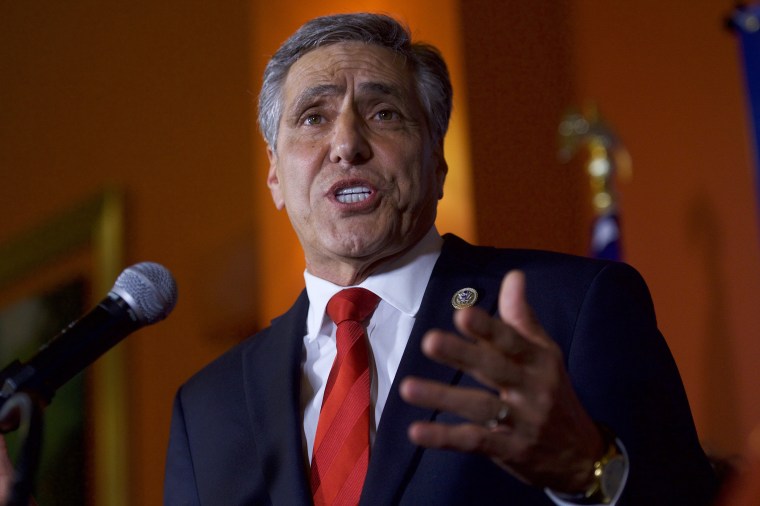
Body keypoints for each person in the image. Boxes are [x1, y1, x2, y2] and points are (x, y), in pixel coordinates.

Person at [164, 12, 718, 505]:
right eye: (313, 117)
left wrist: (590, 471)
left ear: (437, 162)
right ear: (274, 174)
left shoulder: (573, 309)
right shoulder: (207, 408)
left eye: (383, 114)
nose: (347, 144)